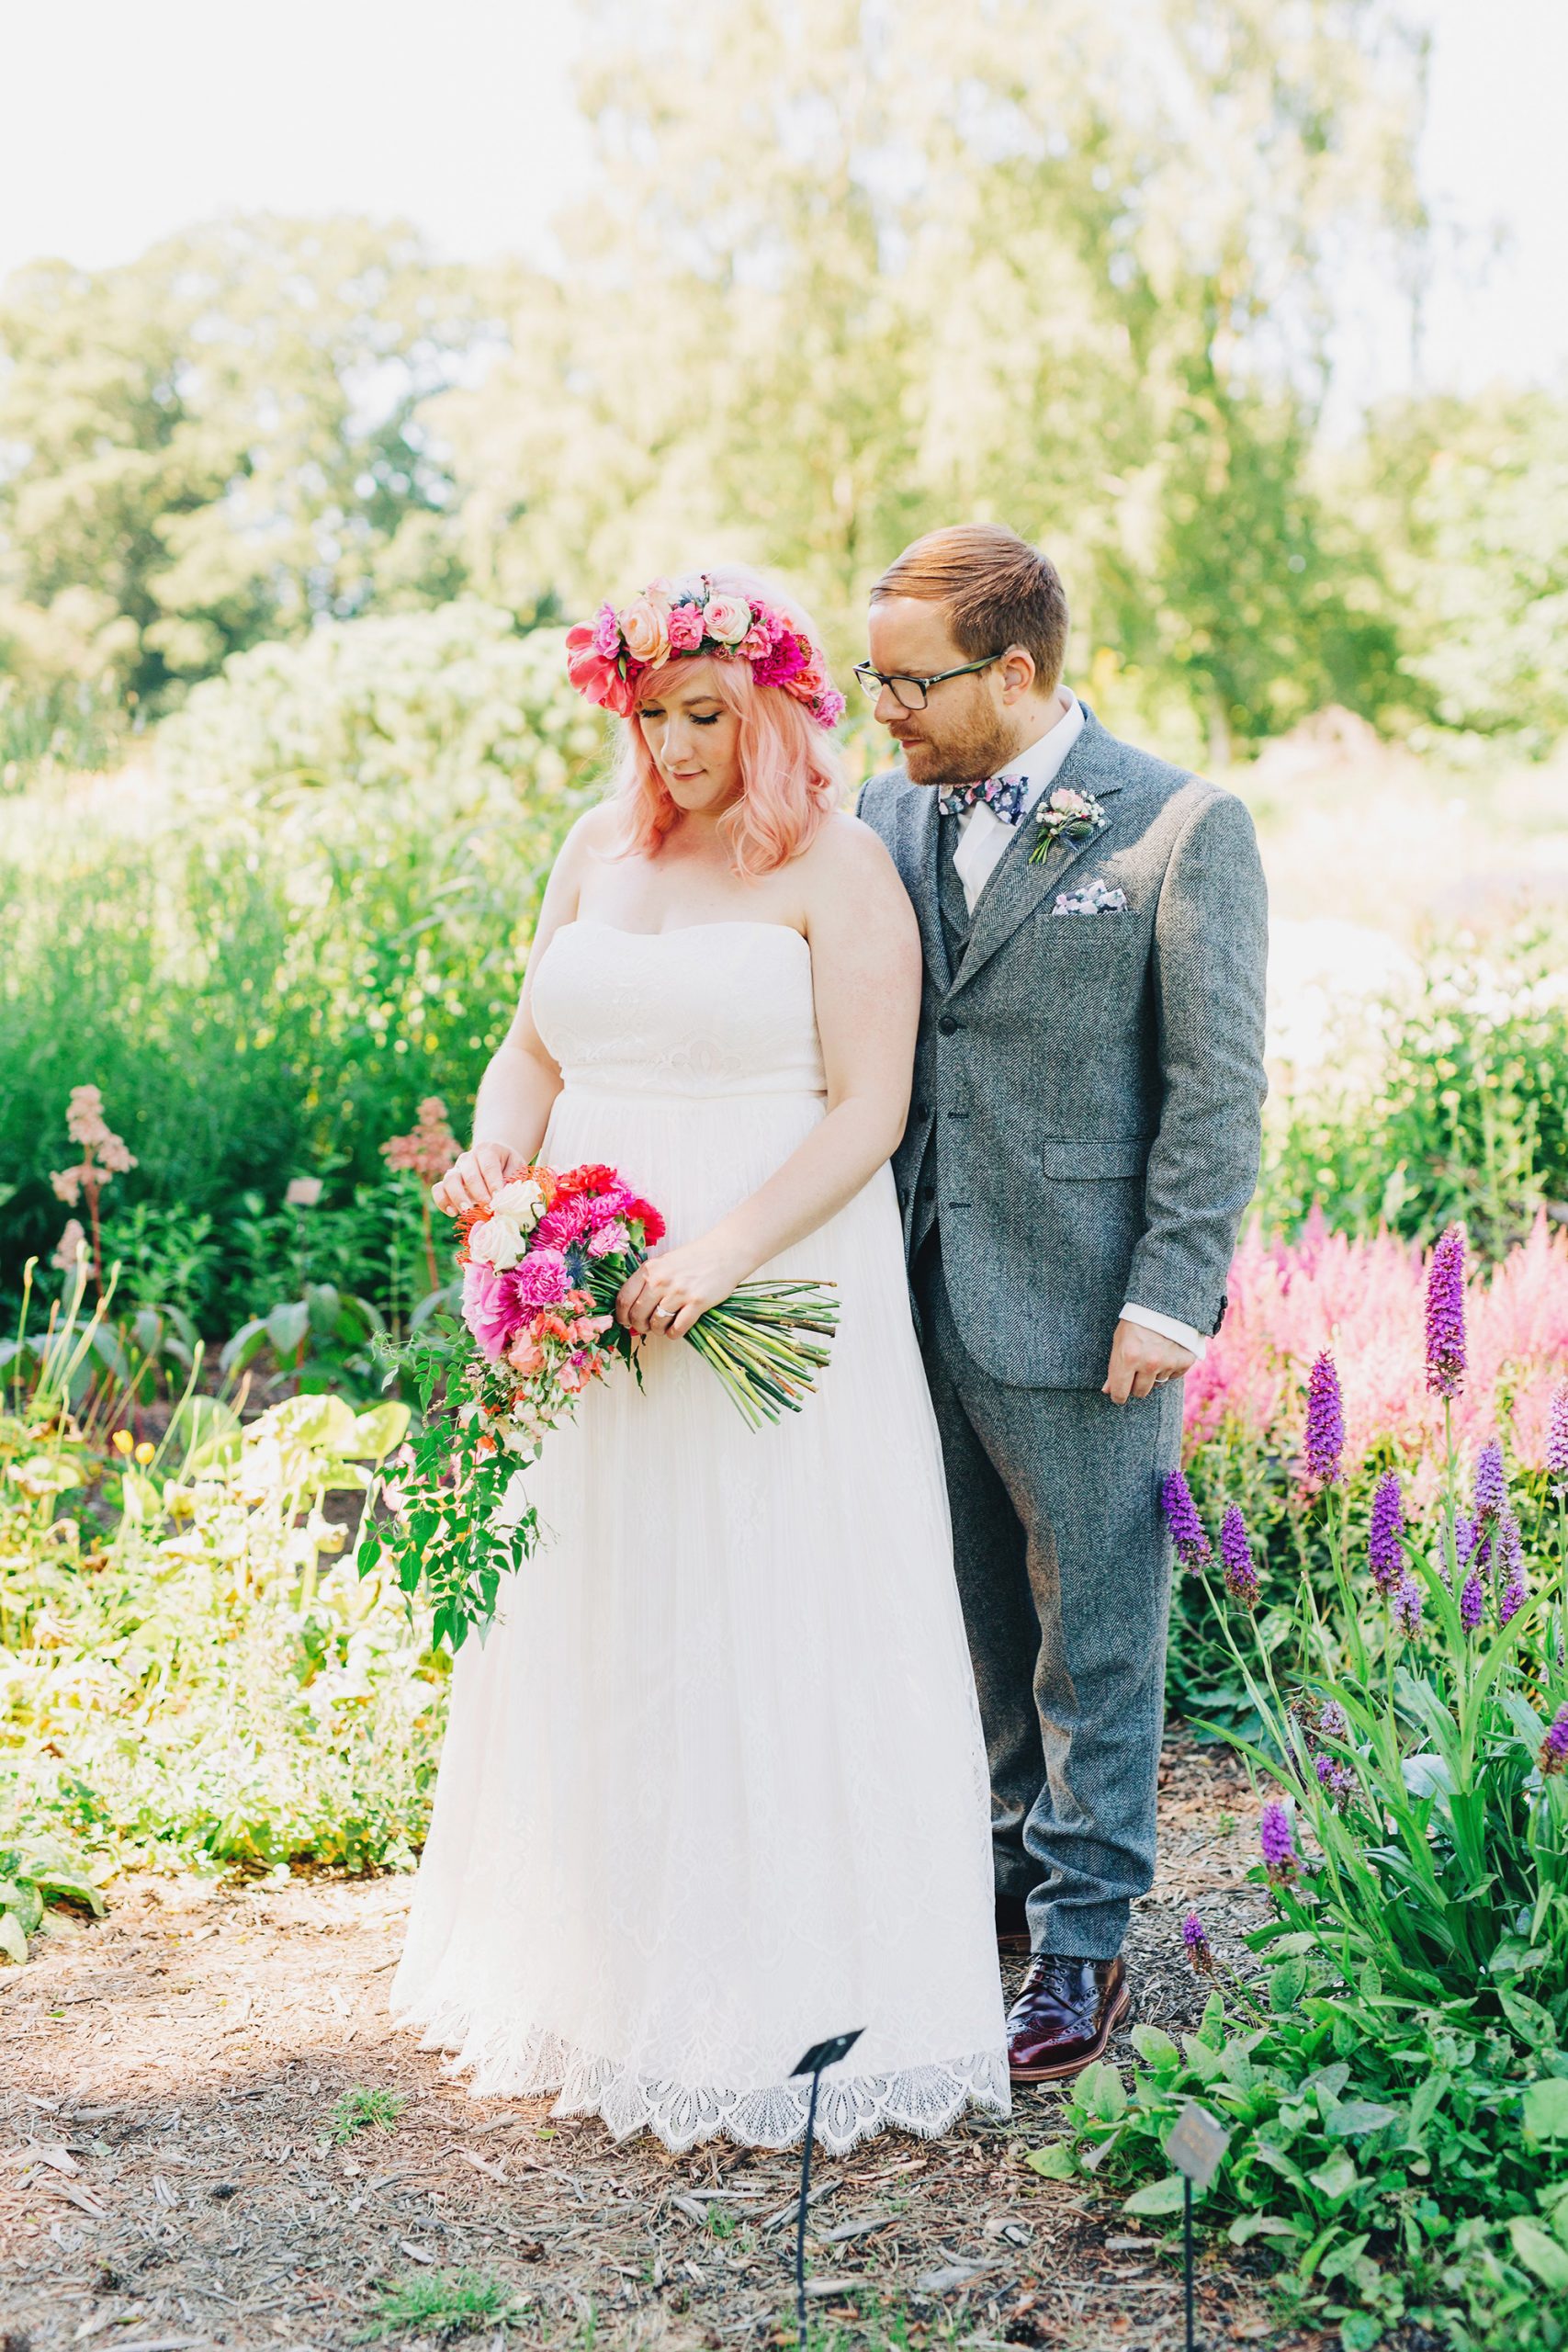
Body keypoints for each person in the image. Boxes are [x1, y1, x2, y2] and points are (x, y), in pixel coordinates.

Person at [389, 566, 1010, 2153]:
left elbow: (870, 1110)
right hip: (591, 1296)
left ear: (775, 705)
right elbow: (533, 1047)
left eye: (704, 716)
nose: (672, 747)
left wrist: (722, 1251)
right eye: (650, 715)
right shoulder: (596, 850)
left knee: (768, 1609)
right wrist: (501, 1177)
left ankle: (781, 1994)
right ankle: (606, 1973)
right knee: (616, 1604)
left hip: (771, 1286)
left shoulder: (841, 866)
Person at [857, 524, 1269, 2083]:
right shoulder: (884, 814)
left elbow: (1217, 1085)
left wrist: (1172, 1297)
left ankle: (1087, 1945)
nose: (880, 710)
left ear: (1013, 672)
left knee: (1097, 1628)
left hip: (1096, 1306)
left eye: (908, 683)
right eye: (870, 677)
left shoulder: (1179, 827)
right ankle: (1011, 1881)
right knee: (977, 1615)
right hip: (916, 1284)